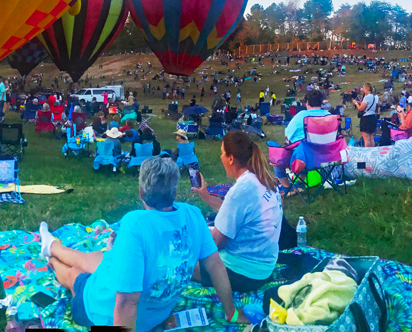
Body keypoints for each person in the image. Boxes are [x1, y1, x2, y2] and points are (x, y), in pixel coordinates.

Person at [39, 157, 244, 330]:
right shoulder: (193, 215)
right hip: (156, 313)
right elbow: (216, 266)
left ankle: (51, 258)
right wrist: (231, 312)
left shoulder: (135, 224)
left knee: (74, 274)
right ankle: (51, 246)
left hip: (106, 316)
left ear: (140, 192)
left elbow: (127, 302)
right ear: (174, 192)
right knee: (99, 259)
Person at [191, 131, 282, 292]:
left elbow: (216, 243)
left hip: (242, 274)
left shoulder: (241, 191)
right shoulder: (263, 180)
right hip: (264, 266)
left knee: (179, 262)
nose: (220, 157)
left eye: (222, 153)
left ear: (231, 158)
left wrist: (190, 247)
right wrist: (206, 196)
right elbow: (235, 214)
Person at [352, 83, 378, 147]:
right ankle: (373, 151)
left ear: (367, 88)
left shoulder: (366, 97)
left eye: (363, 88)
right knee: (371, 137)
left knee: (366, 139)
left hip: (366, 118)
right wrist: (360, 103)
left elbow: (361, 108)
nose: (363, 90)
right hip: (373, 117)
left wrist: (356, 103)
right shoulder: (374, 97)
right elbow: (368, 104)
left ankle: (367, 152)